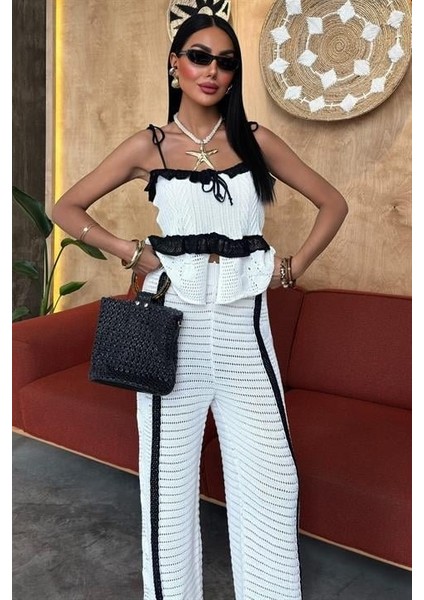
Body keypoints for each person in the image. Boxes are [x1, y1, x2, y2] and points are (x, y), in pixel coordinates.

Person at [52, 13, 348, 600]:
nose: (212, 70)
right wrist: (130, 252)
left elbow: (333, 203)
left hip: (244, 329)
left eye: (225, 61)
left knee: (272, 478)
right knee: (167, 486)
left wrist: (291, 269)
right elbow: (67, 207)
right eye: (199, 56)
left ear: (233, 75)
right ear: (175, 64)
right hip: (172, 325)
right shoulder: (150, 145)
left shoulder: (256, 141)